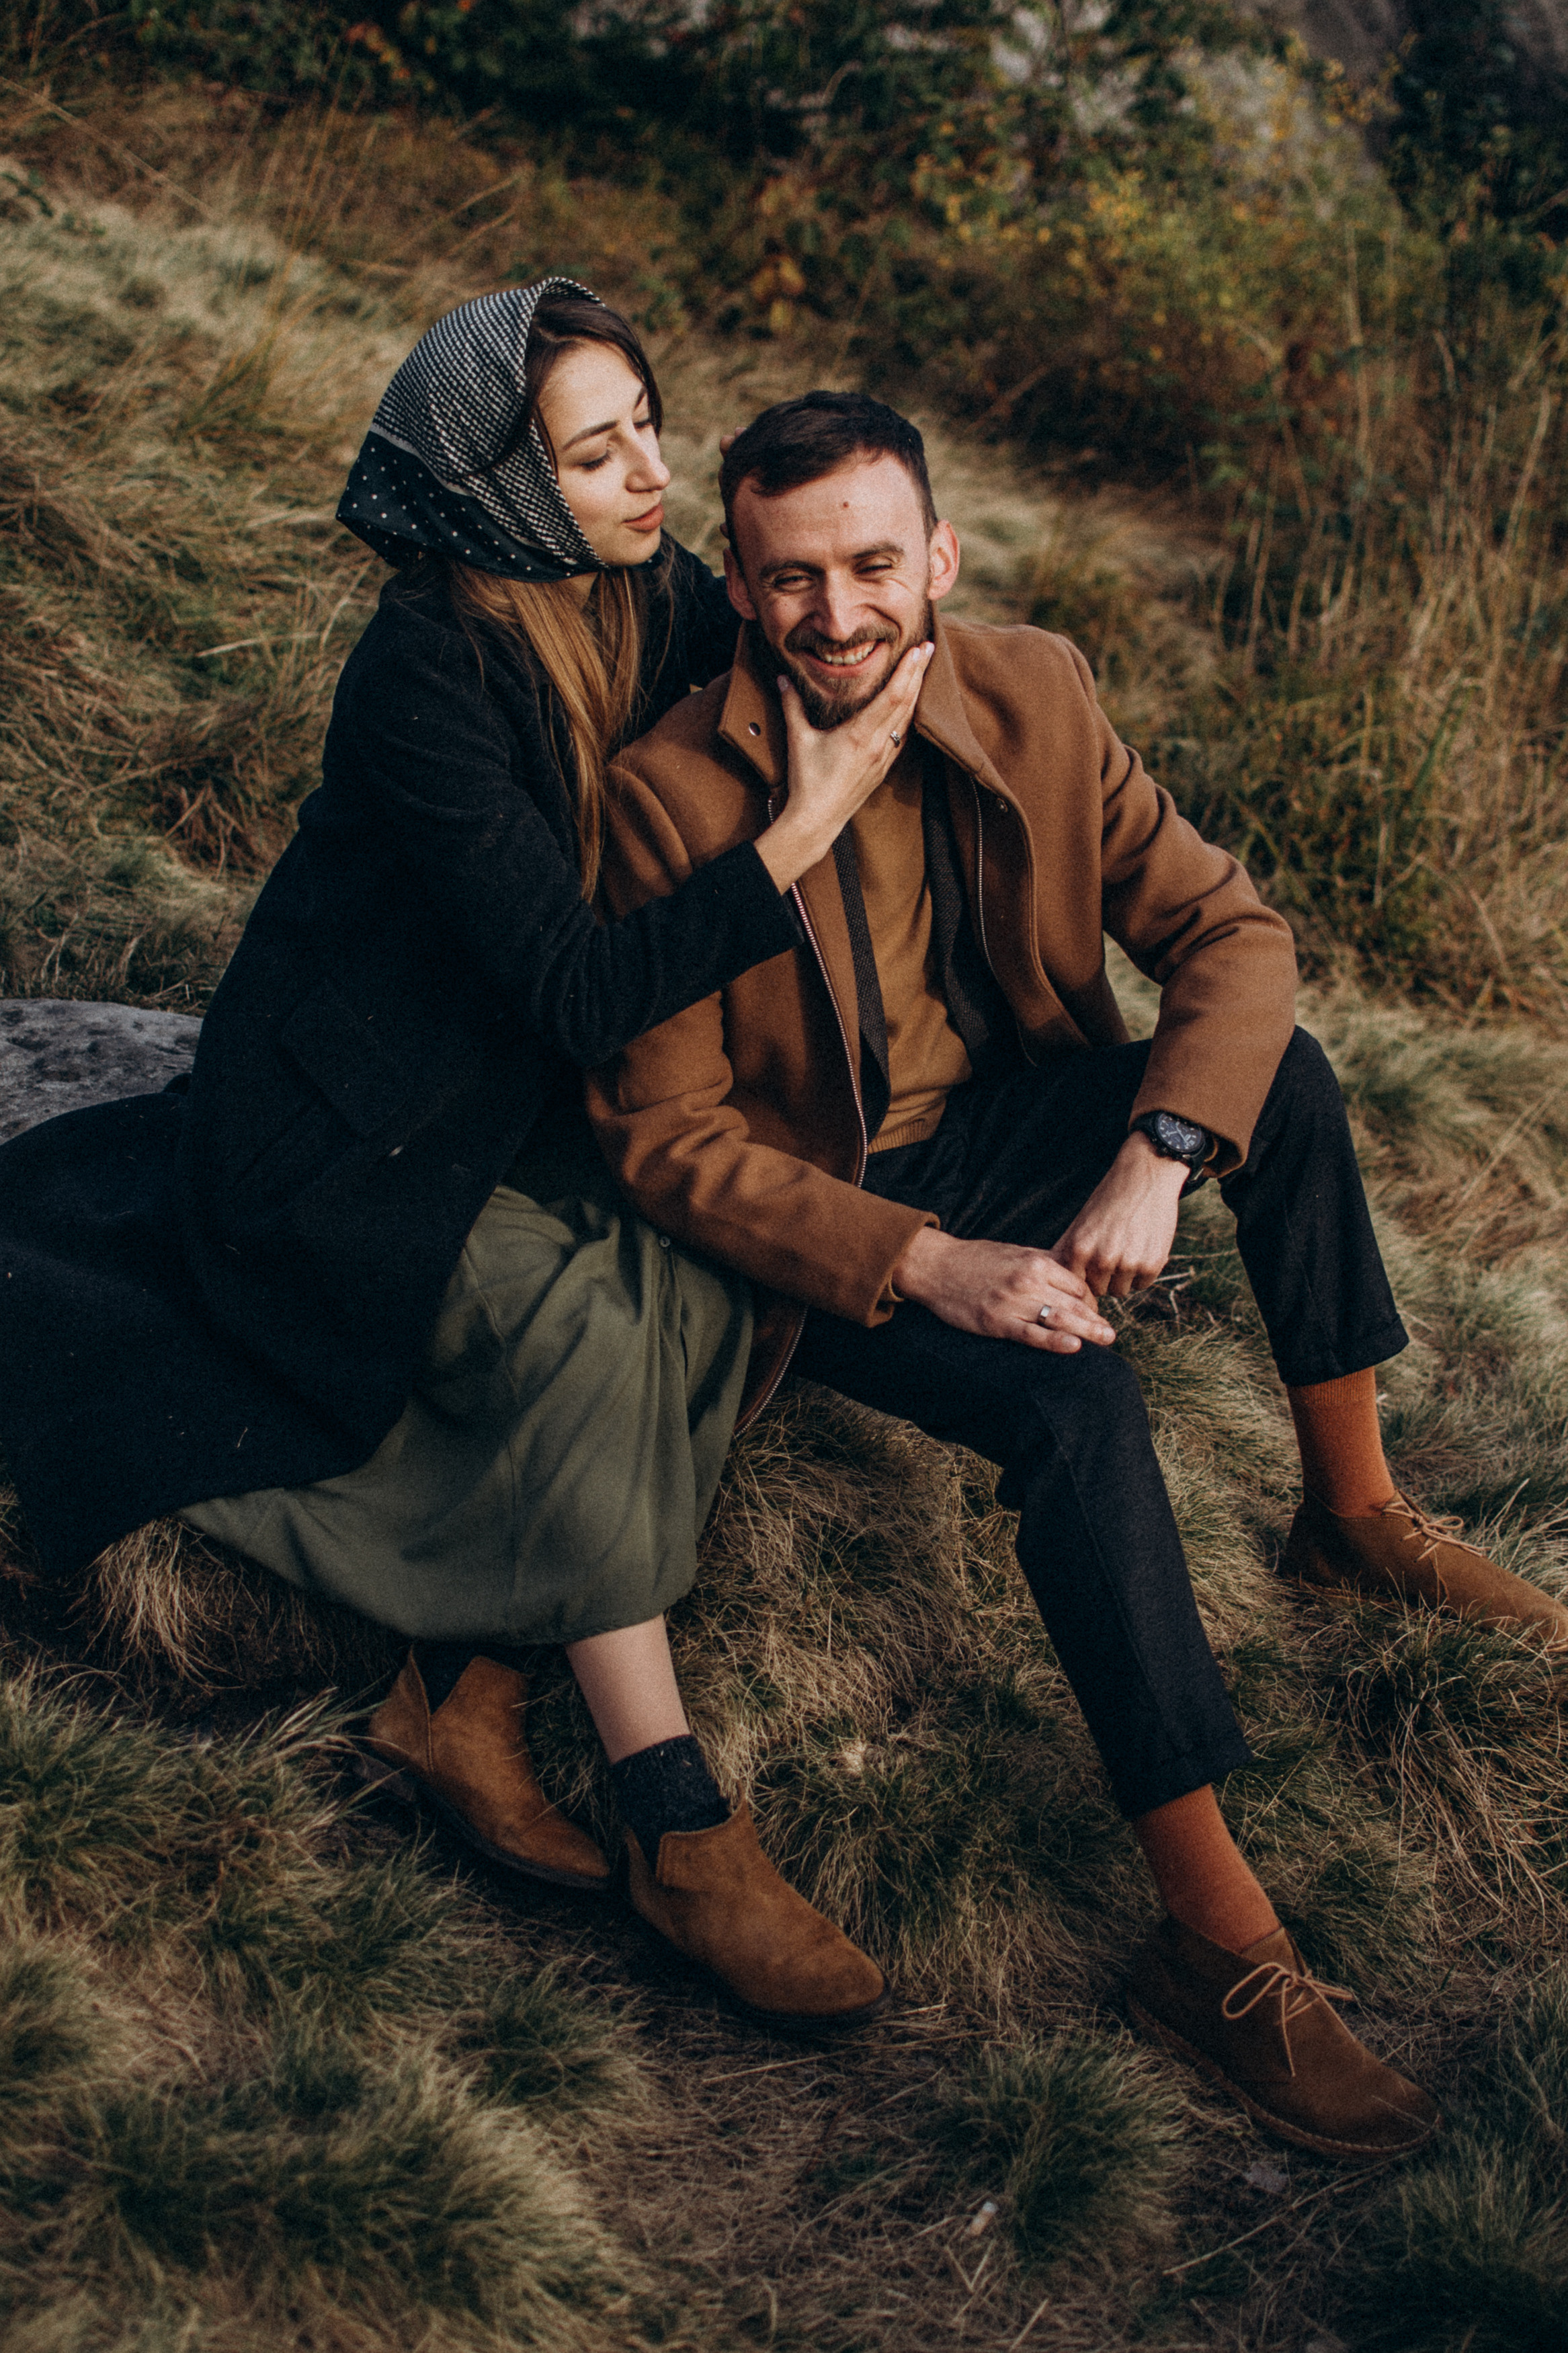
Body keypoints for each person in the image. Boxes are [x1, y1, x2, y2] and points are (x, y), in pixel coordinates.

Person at [585, 389, 1568, 2156]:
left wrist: (1158, 1150)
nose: (838, 612)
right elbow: (668, 1142)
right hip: (829, 1224)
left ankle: (1352, 1516)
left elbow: (1234, 934)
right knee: (1074, 1395)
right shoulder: (670, 800)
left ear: (939, 558)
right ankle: (1220, 1944)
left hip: (1021, 1123)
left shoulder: (1034, 689)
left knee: (1293, 1072)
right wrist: (933, 1262)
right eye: (791, 577)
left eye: (875, 564)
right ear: (736, 582)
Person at [0, 290, 932, 2034]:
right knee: (586, 1323)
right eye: (596, 451)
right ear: (501, 480)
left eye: (648, 421)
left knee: (692, 1278)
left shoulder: (639, 593)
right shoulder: (427, 667)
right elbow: (583, 987)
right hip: (334, 1141)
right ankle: (677, 1813)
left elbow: (797, 645)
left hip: (490, 1106)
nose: (652, 468)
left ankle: (465, 1692)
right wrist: (799, 833)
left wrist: (898, 633)